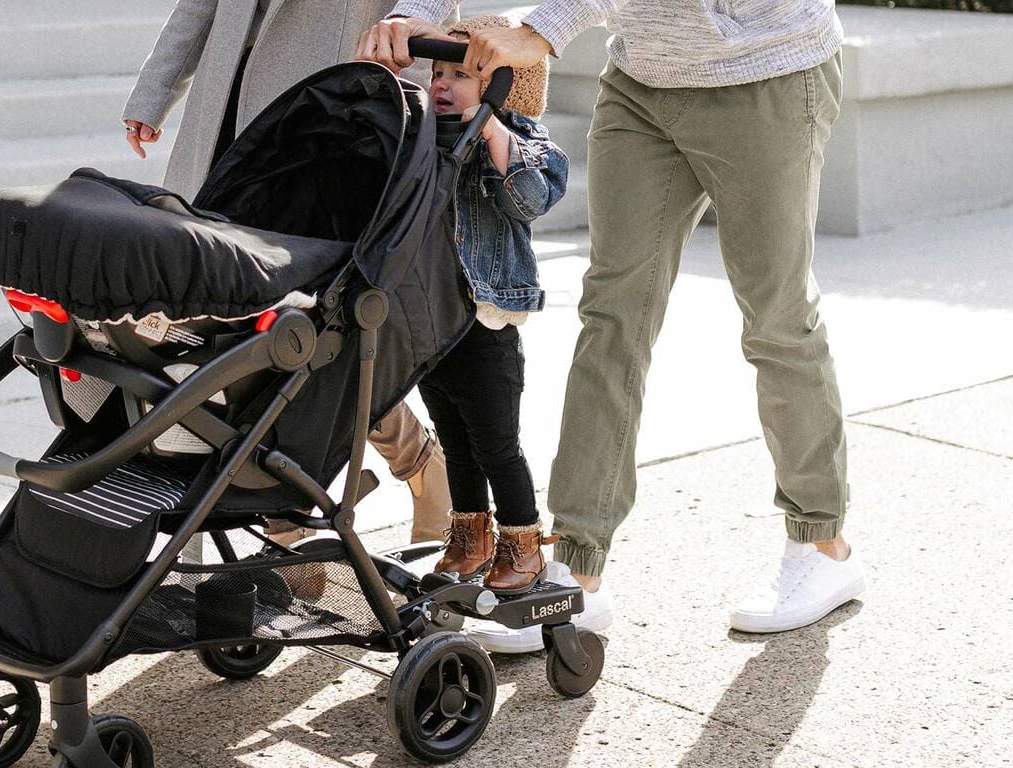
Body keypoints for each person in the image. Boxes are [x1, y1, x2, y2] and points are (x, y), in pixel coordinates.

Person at [361, 0, 867, 646]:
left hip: (765, 70)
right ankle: (577, 570)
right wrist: (417, 14)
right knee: (612, 317)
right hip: (644, 86)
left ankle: (823, 547)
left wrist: (545, 28)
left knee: (776, 316)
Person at [120, 1, 457, 544]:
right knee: (216, 330)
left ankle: (304, 516)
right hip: (228, 121)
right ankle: (356, 488)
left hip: (324, 125)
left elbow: (419, 13)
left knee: (306, 330)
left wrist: (406, 113)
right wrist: (155, 91)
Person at [412, 15, 568, 595]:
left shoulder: (525, 145)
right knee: (453, 438)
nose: (443, 84)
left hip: (485, 321)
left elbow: (529, 199)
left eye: (463, 74)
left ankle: (523, 538)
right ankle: (469, 532)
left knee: (496, 443)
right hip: (432, 323)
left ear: (504, 86)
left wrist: (492, 129)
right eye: (438, 71)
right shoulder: (424, 138)